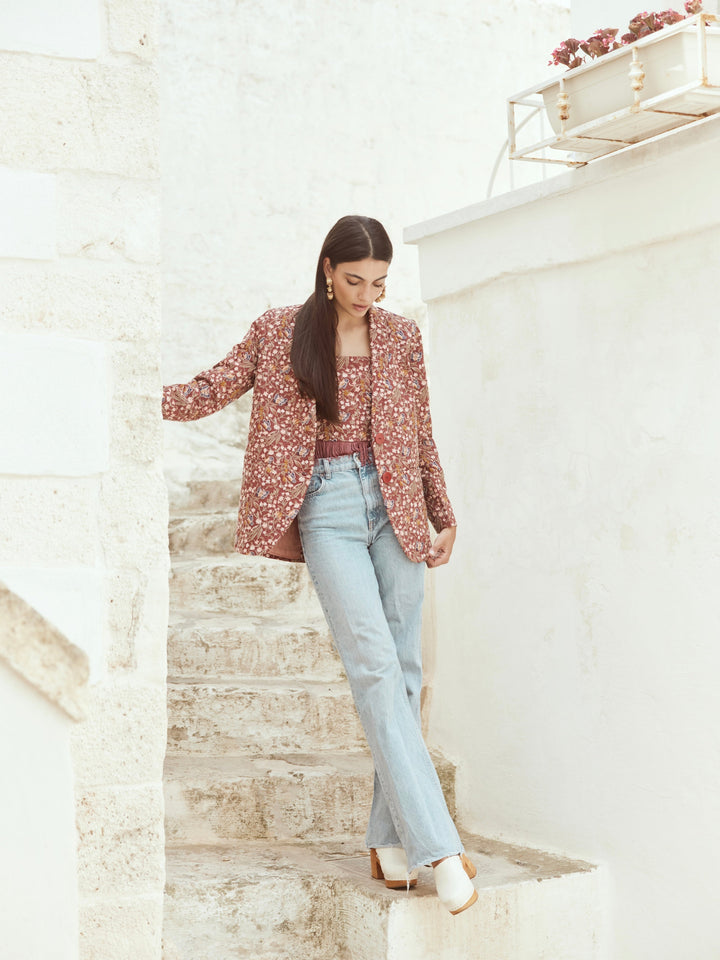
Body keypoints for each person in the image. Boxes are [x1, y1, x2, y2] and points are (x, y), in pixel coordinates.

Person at [162, 215, 477, 915]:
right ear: (328, 269)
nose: (368, 295)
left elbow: (420, 429)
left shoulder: (401, 337)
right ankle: (440, 848)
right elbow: (211, 388)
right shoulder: (280, 331)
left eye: (381, 284)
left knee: (406, 671)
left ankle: (389, 840)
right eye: (356, 280)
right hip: (327, 508)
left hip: (394, 505)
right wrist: (133, 398)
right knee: (371, 666)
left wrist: (443, 513)